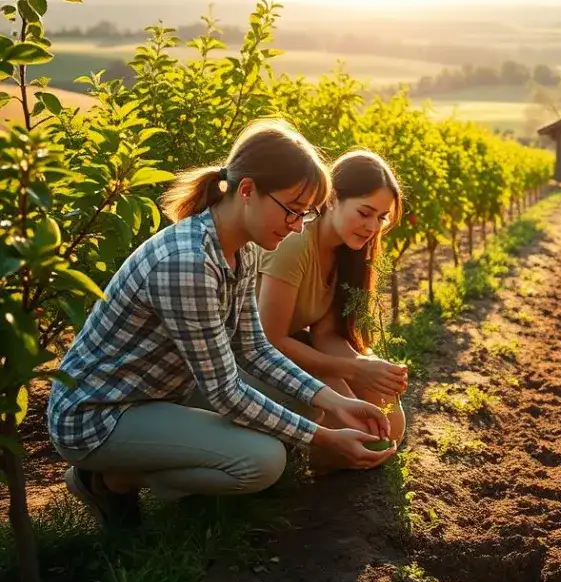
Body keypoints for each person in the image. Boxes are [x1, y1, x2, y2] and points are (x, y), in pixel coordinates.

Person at [46, 119, 397, 531]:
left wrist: (335, 402)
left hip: (160, 393)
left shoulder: (240, 250)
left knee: (304, 402)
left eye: (305, 215)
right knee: (262, 461)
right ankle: (109, 481)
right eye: (292, 210)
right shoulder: (189, 263)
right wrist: (322, 437)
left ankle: (155, 462)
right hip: (101, 414)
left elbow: (254, 349)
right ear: (247, 190)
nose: (297, 226)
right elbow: (226, 393)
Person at [256, 149, 408, 472]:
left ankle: (311, 449)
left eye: (380, 218)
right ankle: (295, 460)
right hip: (259, 357)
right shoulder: (296, 244)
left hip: (299, 351)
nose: (372, 227)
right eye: (365, 212)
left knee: (391, 425)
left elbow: (325, 334)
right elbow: (270, 341)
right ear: (334, 198)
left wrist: (367, 364)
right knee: (365, 433)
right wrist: (353, 371)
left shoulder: (344, 252)